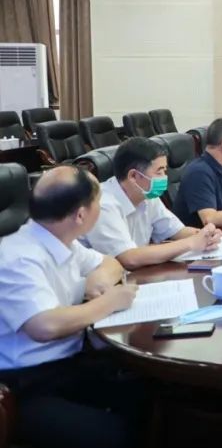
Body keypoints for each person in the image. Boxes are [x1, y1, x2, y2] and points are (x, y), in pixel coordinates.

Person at [0, 166, 146, 448]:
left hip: (70, 364)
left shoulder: (59, 239)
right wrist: (108, 302)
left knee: (155, 393)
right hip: (25, 385)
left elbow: (110, 263)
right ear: (81, 215)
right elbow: (44, 325)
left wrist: (99, 281)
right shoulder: (18, 257)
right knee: (115, 435)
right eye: (98, 203)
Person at [81, 137, 222, 269]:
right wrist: (191, 243)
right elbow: (129, 258)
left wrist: (206, 234)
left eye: (165, 171)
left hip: (135, 274)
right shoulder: (103, 204)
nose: (164, 178)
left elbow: (176, 231)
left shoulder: (147, 194)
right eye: (159, 172)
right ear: (133, 176)